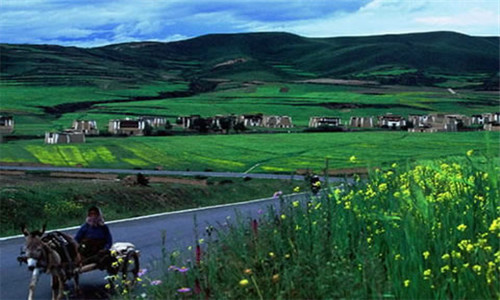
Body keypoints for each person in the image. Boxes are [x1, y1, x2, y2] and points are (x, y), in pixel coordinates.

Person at [75, 206, 113, 270]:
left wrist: (105, 248)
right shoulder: (85, 227)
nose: (93, 216)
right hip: (86, 250)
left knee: (104, 258)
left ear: (99, 215)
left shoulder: (103, 227)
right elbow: (77, 239)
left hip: (99, 250)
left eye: (95, 214)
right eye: (91, 214)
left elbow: (109, 241)